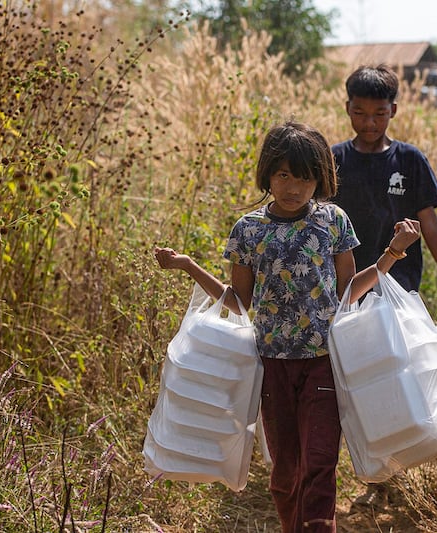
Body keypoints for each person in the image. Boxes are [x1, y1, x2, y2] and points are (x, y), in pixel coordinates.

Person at [154, 120, 422, 533]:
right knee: (285, 472)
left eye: (304, 178)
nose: (293, 187)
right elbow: (238, 302)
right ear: (267, 174)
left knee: (319, 462)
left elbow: (348, 292)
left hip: (323, 361)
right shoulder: (249, 230)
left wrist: (392, 253)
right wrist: (189, 266)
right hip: (272, 365)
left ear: (320, 179)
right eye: (283, 175)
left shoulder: (332, 222)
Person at [330, 64, 437, 509]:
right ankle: (379, 482)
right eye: (360, 112)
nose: (369, 122)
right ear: (347, 108)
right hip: (349, 294)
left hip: (399, 293)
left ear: (394, 110)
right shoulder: (333, 161)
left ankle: (414, 462)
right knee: (364, 386)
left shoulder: (409, 161)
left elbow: (432, 228)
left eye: (379, 113)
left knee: (402, 381)